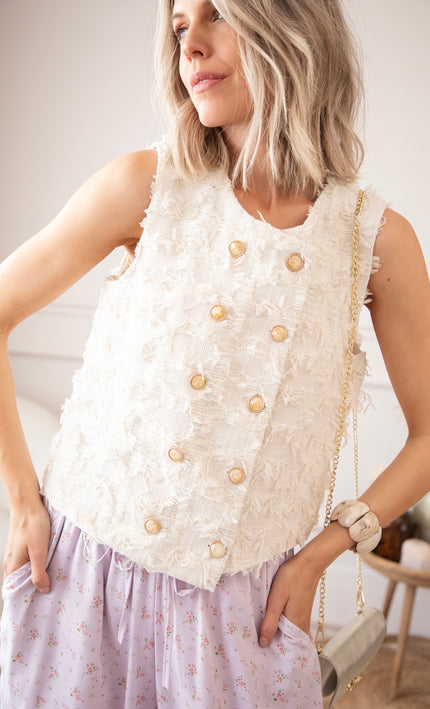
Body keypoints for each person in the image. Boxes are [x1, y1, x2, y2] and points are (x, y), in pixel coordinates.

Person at [0, 0, 429, 706]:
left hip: (239, 618)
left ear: (292, 27)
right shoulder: (145, 185)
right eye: (178, 27)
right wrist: (22, 502)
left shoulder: (372, 239)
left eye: (217, 14)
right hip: (81, 585)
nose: (190, 45)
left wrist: (322, 553)